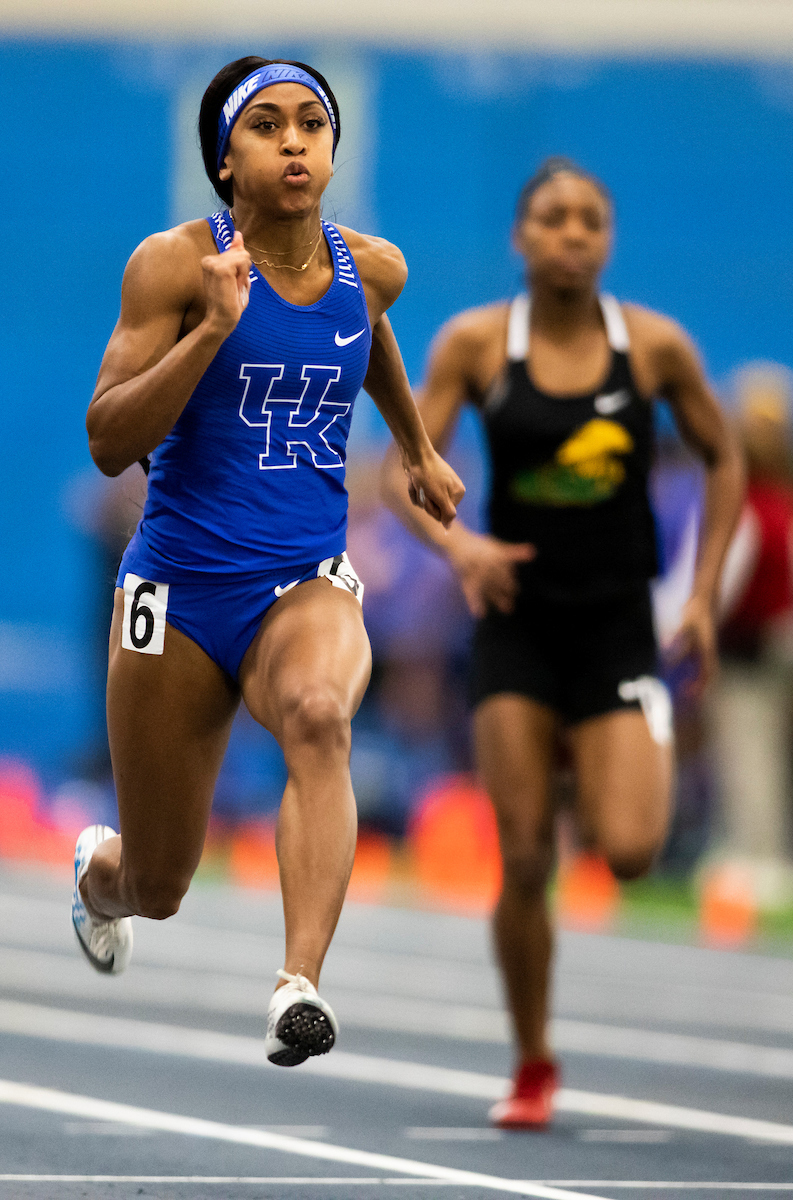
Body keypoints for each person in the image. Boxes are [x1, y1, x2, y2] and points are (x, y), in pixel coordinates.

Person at [72, 55, 464, 1068]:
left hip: (302, 579)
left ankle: (300, 986)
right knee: (157, 884)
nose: (294, 141)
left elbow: (362, 334)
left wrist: (414, 446)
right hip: (178, 591)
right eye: (267, 126)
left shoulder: (372, 266)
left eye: (311, 124)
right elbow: (109, 439)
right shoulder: (169, 266)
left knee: (322, 716)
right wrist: (210, 329)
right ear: (225, 159)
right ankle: (95, 879)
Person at [382, 157, 743, 1126]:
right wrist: (458, 549)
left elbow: (723, 454)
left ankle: (606, 751)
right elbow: (400, 472)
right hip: (515, 630)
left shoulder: (653, 348)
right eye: (552, 217)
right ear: (519, 236)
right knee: (526, 857)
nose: (572, 233)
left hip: (617, 628)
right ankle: (532, 1060)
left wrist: (701, 593)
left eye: (590, 219)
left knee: (626, 850)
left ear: (608, 238)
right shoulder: (476, 345)